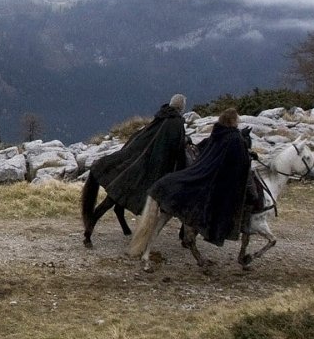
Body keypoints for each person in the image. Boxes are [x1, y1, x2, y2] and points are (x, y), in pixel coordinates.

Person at [146, 108, 253, 246]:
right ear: (233, 120)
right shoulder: (234, 138)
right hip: (218, 178)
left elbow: (207, 150)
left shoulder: (217, 133)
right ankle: (239, 225)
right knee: (252, 196)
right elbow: (240, 162)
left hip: (202, 170)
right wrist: (249, 157)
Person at [86, 93, 190, 217]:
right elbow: (177, 147)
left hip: (140, 159)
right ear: (182, 107)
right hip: (155, 166)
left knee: (113, 198)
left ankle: (90, 224)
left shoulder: (161, 116)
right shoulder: (176, 123)